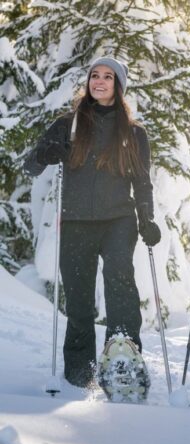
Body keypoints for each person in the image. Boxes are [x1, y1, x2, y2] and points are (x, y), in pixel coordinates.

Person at [23, 56, 161, 387]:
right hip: (76, 222)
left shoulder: (133, 133)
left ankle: (123, 361)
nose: (99, 81)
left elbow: (142, 181)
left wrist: (147, 219)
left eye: (107, 77)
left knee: (119, 282)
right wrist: (46, 153)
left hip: (118, 220)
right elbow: (31, 165)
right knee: (79, 297)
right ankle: (79, 371)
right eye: (94, 76)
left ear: (119, 85)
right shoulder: (67, 125)